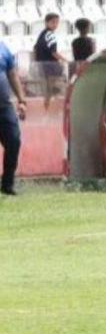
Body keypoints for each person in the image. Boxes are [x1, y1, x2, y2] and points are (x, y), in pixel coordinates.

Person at [0, 39, 27, 196]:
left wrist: (22, 100)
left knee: (14, 141)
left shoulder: (3, 48)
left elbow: (12, 74)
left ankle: (7, 184)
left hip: (4, 107)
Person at [33, 12, 68, 109]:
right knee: (52, 86)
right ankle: (48, 105)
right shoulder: (50, 35)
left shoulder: (42, 34)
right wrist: (65, 60)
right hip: (50, 65)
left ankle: (47, 104)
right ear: (46, 22)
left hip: (43, 64)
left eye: (57, 22)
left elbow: (35, 48)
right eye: (53, 22)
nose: (55, 25)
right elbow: (53, 52)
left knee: (49, 87)